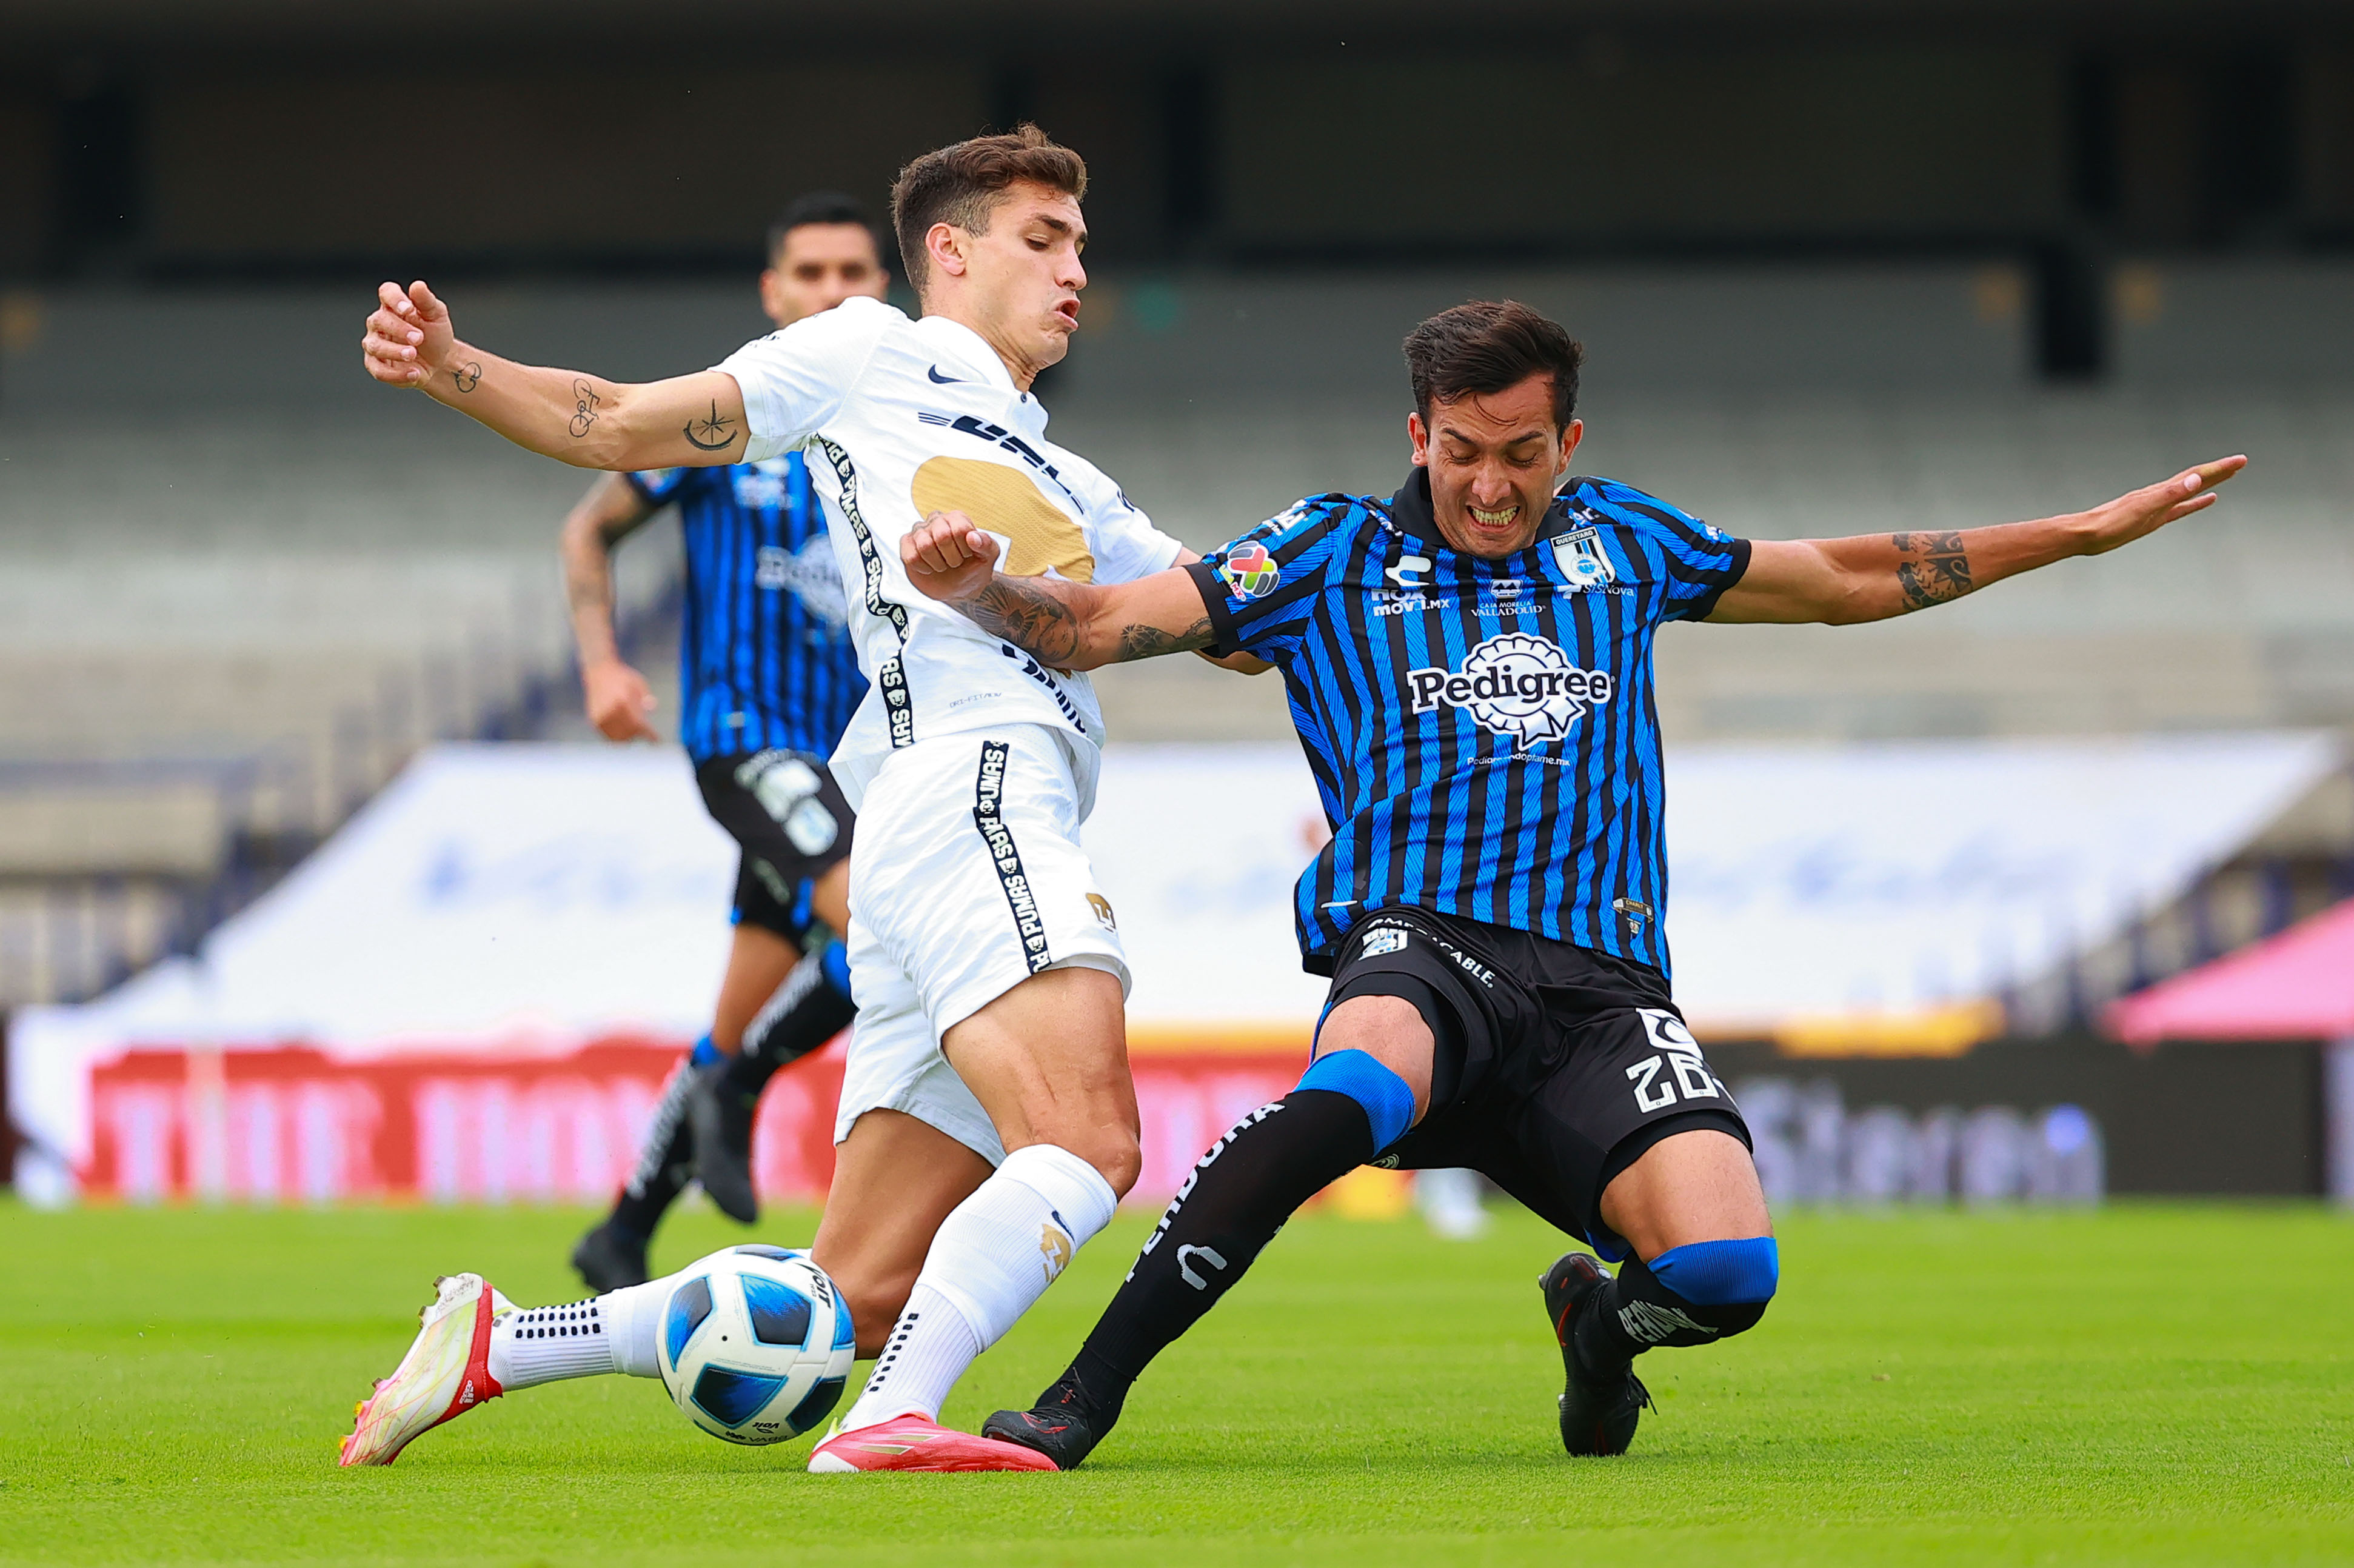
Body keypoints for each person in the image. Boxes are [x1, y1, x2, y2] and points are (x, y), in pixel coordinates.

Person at [894, 299, 2246, 1467]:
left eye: (1523, 456)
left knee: (1725, 1278)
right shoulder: (1318, 551)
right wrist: (983, 591)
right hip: (1423, 949)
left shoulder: (1624, 543)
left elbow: (1841, 577)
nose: (1493, 485)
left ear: (1570, 446)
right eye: (1465, 452)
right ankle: (1077, 1400)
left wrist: (2075, 534)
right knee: (1351, 1088)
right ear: (1418, 434)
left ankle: (1595, 1330)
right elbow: (1097, 626)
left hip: (1602, 994)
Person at [340, 127, 1260, 1474]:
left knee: (857, 1290)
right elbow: (614, 420)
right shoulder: (870, 350)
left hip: (917, 828)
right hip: (973, 787)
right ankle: (888, 1421)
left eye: (1081, 246)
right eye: (1043, 240)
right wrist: (453, 368)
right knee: (1086, 1137)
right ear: (948, 250)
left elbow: (1235, 621)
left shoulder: (1069, 477)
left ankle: (500, 1340)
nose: (1075, 271)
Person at [564, 192, 888, 1290]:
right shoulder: (725, 419)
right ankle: (745, 1090)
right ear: (774, 292)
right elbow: (589, 526)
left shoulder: (894, 437)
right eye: (811, 272)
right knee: (881, 927)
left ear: (883, 290)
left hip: (848, 761)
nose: (834, 290)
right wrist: (604, 663)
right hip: (748, 741)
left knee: (743, 1008)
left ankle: (622, 1229)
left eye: (854, 270)